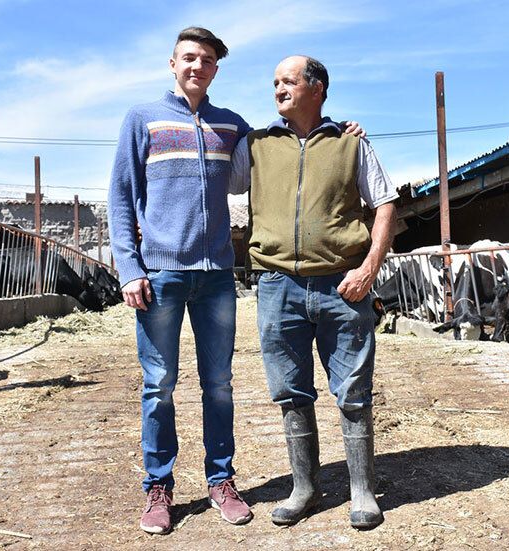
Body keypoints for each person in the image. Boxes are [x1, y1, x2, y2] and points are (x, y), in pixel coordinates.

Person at [108, 28, 364, 535]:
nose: (196, 66)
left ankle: (221, 481)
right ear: (172, 63)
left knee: (219, 385)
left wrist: (341, 130)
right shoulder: (143, 119)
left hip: (218, 275)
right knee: (159, 384)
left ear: (216, 69)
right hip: (160, 273)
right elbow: (120, 196)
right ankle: (158, 488)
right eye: (188, 58)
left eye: (206, 59)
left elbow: (291, 144)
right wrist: (130, 268)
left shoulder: (232, 128)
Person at [229, 55, 398, 530]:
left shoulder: (350, 144)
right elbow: (218, 175)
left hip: (343, 286)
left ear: (317, 87)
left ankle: (362, 489)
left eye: (287, 81)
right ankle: (304, 486)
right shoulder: (257, 144)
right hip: (277, 286)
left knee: (354, 392)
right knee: (290, 392)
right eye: (274, 83)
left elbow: (384, 204)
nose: (278, 89)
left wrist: (370, 268)